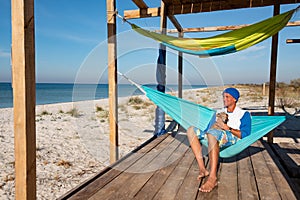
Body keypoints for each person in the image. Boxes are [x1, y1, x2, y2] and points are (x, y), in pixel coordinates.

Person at [186, 87, 251, 192]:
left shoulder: (243, 114)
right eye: (223, 97)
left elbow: (245, 134)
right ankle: (203, 169)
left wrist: (227, 128)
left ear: (235, 99)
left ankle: (213, 178)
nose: (224, 99)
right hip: (214, 133)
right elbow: (208, 128)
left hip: (231, 136)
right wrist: (214, 125)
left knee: (212, 134)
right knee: (191, 130)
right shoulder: (219, 112)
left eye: (227, 97)